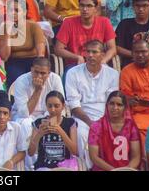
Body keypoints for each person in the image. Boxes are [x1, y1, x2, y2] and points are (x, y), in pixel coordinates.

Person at [66, 40, 119, 168]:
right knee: (80, 134)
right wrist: (91, 123)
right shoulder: (73, 73)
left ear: (102, 54)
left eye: (94, 52)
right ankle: (85, 168)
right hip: (82, 117)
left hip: (106, 116)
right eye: (88, 52)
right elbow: (74, 106)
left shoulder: (112, 74)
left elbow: (112, 103)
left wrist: (103, 123)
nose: (90, 55)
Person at [55, 0, 116, 69]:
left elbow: (112, 48)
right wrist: (76, 57)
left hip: (98, 63)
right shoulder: (68, 22)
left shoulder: (105, 22)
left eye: (89, 6)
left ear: (96, 8)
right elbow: (58, 49)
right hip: (75, 64)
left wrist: (104, 60)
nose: (85, 9)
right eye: (82, 5)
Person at [0, 0, 46, 88]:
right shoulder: (4, 27)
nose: (13, 13)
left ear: (24, 12)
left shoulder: (33, 26)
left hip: (33, 60)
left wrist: (39, 67)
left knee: (37, 78)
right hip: (13, 61)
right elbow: (4, 56)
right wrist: (8, 33)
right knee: (15, 79)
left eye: (17, 10)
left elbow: (41, 52)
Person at [88, 91, 141, 171]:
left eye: (119, 105)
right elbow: (94, 157)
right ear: (107, 105)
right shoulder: (96, 126)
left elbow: (136, 157)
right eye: (112, 103)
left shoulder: (131, 126)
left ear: (125, 108)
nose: (115, 107)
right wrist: (114, 170)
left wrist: (126, 169)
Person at [28, 91, 78, 170]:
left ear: (63, 106)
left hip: (64, 166)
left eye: (56, 106)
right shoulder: (39, 123)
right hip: (44, 166)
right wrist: (39, 134)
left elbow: (75, 151)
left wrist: (61, 131)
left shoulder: (70, 123)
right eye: (49, 106)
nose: (53, 109)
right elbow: (30, 153)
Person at [11, 57, 64, 126]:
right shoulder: (21, 81)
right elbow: (24, 113)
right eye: (36, 72)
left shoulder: (55, 79)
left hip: (49, 114)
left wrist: (47, 118)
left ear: (49, 73)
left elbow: (60, 105)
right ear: (31, 69)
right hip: (25, 117)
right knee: (26, 124)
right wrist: (38, 90)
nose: (39, 76)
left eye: (43, 73)